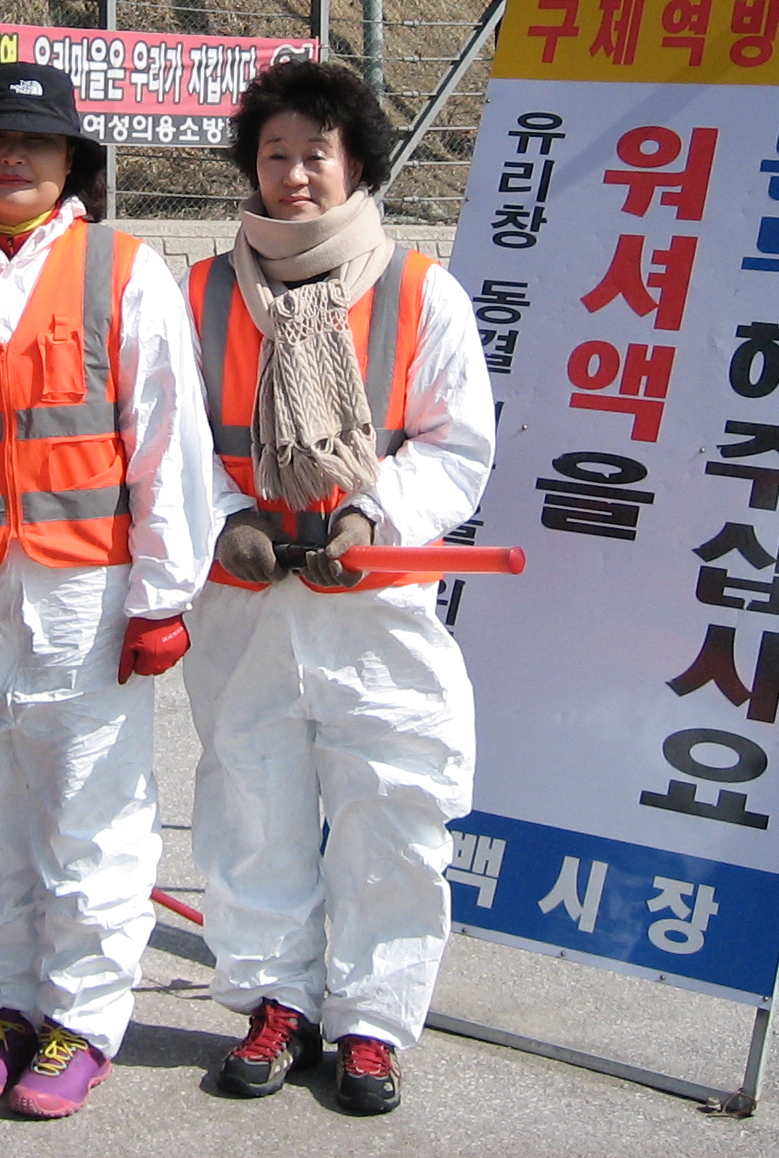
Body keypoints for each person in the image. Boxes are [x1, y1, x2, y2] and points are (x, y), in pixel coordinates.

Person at [0, 62, 217, 1121]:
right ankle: (0, 1009)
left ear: (73, 160)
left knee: (90, 810)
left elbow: (168, 437)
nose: (13, 158)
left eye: (35, 141)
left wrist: (164, 595)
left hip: (87, 593)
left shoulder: (123, 270)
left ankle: (80, 1022)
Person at [181, 57, 495, 1117]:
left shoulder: (420, 291)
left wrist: (373, 517)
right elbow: (170, 438)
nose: (295, 174)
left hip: (378, 604)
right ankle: (278, 1001)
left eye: (316, 153)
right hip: (247, 601)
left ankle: (372, 1022)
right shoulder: (201, 293)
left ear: (356, 162)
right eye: (274, 154)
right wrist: (228, 521)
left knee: (393, 809)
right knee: (250, 801)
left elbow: (458, 444)